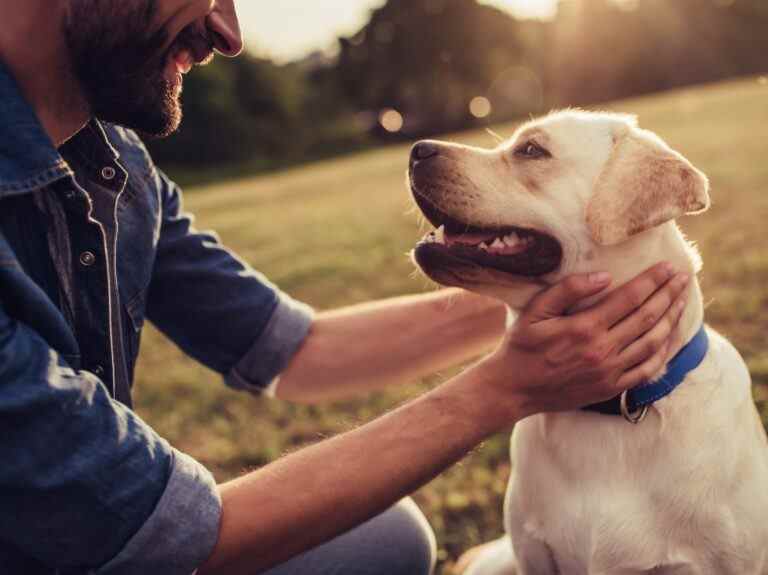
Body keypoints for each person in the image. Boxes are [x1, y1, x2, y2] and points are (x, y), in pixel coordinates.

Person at [0, 2, 690, 574]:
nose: (229, 34)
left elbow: (298, 349)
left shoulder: (118, 167)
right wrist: (507, 386)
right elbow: (165, 537)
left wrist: (557, 287)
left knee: (388, 538)